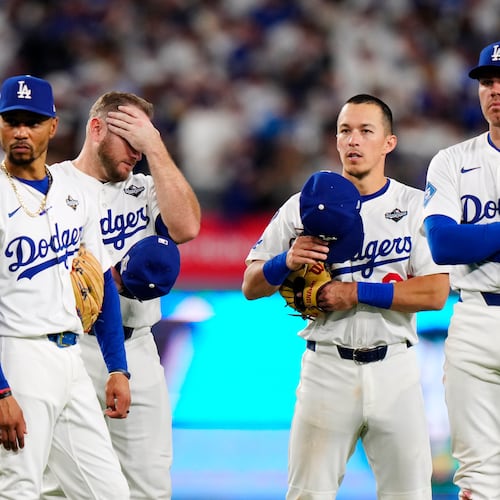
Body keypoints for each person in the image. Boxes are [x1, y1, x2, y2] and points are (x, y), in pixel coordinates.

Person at [242, 93, 450, 499]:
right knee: (308, 493)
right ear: (336, 140)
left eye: (365, 131)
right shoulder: (301, 207)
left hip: (396, 367)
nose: (353, 140)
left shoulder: (413, 206)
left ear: (389, 142)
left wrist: (355, 291)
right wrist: (283, 261)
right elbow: (251, 285)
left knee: (411, 494)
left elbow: (435, 292)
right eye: (344, 131)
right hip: (326, 367)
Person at [43, 91, 201, 500]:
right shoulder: (53, 185)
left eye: (144, 142)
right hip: (67, 347)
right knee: (54, 486)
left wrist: (155, 148)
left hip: (137, 349)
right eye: (131, 140)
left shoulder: (146, 188)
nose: (137, 153)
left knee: (149, 485)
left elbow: (186, 228)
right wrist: (97, 280)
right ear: (96, 128)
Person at [0, 75, 131, 499]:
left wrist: (117, 367)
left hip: (71, 359)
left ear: (53, 126)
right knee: (18, 488)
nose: (21, 131)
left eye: (33, 122)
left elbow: (104, 284)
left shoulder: (76, 191)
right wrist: (1, 389)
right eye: (12, 120)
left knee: (108, 492)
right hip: (17, 354)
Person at [423, 40, 500, 500]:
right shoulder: (452, 160)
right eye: (488, 82)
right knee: (477, 476)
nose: (494, 90)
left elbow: (466, 239)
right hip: (475, 318)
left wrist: (485, 239)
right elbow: (446, 243)